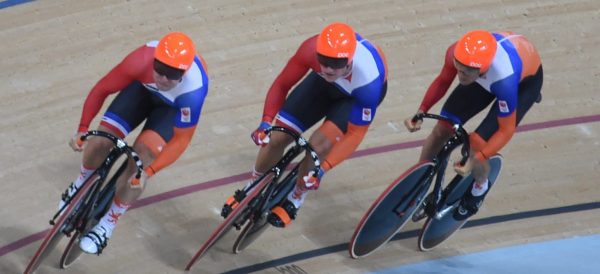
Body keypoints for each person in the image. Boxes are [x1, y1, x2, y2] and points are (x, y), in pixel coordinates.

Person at [227, 22, 388, 228]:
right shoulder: (310, 50)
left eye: (336, 63)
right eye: (324, 61)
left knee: (318, 147)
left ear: (349, 61)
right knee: (277, 137)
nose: (328, 68)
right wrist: (266, 121)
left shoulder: (369, 83)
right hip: (322, 85)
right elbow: (282, 84)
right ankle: (253, 186)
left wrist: (323, 170)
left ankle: (296, 197)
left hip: (353, 98)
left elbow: (356, 134)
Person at [60, 32, 209, 254]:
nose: (164, 78)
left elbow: (181, 139)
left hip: (170, 109)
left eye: (172, 74)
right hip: (141, 90)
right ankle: (81, 183)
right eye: (160, 69)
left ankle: (108, 224)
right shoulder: (141, 60)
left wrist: (148, 171)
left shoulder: (193, 92)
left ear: (184, 73)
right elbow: (102, 89)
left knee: (140, 162)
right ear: (154, 61)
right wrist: (82, 129)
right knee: (100, 140)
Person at [404, 30, 543, 220]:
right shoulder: (458, 54)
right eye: (458, 68)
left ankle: (479, 189)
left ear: (482, 69)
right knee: (442, 128)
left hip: (523, 85)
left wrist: (479, 156)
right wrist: (422, 109)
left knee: (477, 143)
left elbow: (506, 130)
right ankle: (419, 180)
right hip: (484, 78)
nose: (460, 74)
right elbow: (443, 81)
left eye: (466, 71)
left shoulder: (505, 80)